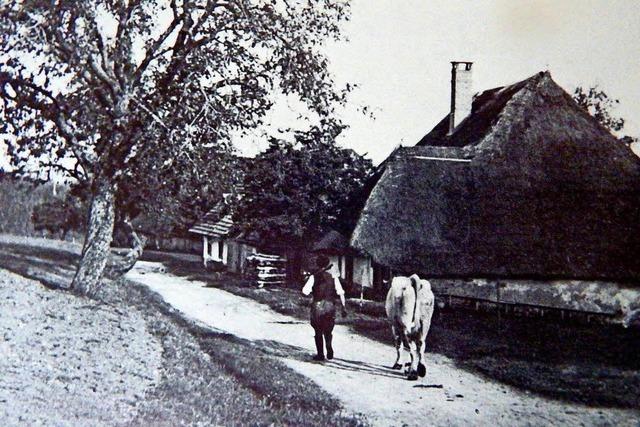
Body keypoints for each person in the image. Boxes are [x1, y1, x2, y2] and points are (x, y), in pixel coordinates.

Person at [302, 254, 348, 361]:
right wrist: (343, 307)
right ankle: (329, 347)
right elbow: (341, 292)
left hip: (317, 306)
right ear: (327, 264)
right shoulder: (333, 277)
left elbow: (305, 291)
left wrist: (310, 283)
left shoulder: (313, 277)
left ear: (317, 264)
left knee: (318, 331)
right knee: (328, 330)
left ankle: (320, 354)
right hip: (330, 306)